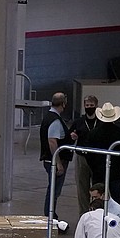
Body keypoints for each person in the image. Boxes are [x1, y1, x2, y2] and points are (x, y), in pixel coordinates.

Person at [85, 102, 120, 204]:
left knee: (98, 201)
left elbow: (89, 155)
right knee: (116, 201)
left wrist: (94, 168)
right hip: (117, 172)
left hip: (98, 173)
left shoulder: (93, 133)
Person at [39, 92, 72, 222]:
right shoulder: (55, 120)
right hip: (54, 161)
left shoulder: (49, 117)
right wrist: (58, 163)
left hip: (49, 159)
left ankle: (50, 214)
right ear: (63, 104)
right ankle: (50, 215)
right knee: (54, 190)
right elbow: (52, 142)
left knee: (53, 189)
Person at [69, 95, 99, 216]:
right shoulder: (79, 122)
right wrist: (73, 137)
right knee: (82, 187)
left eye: (92, 106)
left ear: (96, 106)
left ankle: (97, 212)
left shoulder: (101, 121)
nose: (89, 108)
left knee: (97, 186)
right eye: (87, 106)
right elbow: (69, 135)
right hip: (82, 157)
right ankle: (84, 214)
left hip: (97, 157)